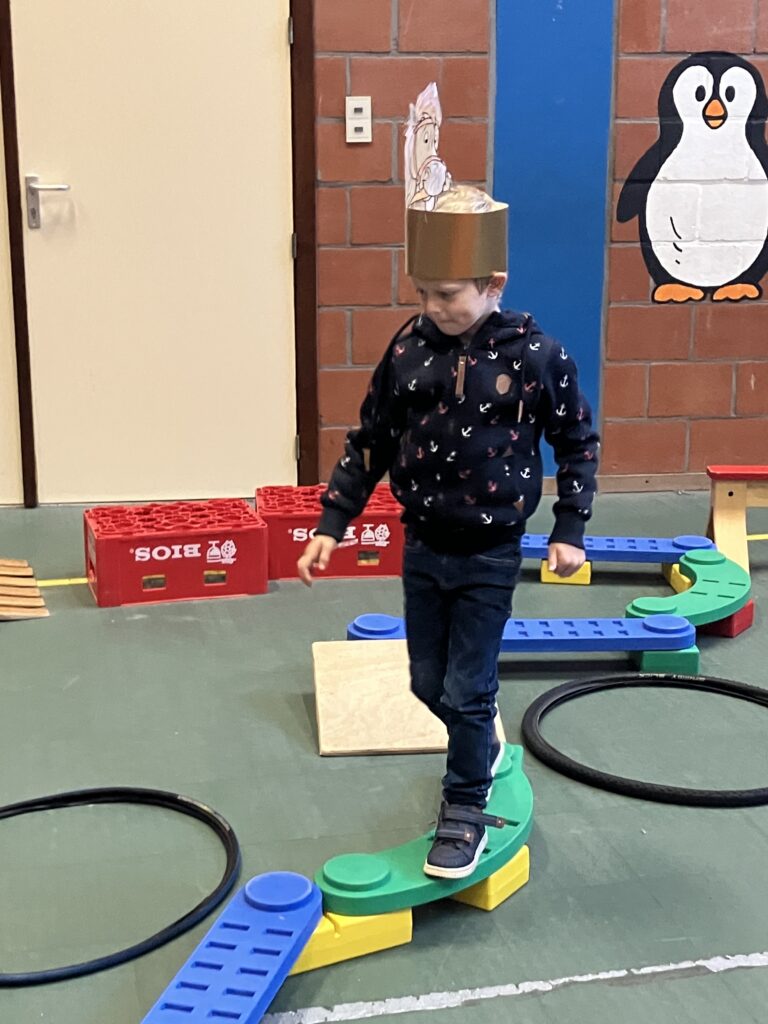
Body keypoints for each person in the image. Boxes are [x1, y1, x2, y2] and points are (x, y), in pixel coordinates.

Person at [298, 84, 599, 880]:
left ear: (493, 282)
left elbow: (576, 440)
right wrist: (332, 522)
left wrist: (569, 529)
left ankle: (465, 807)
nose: (433, 308)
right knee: (425, 682)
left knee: (467, 690)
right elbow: (370, 437)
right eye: (423, 293)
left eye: (449, 294)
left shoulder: (536, 358)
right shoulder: (410, 349)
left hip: (491, 550)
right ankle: (479, 741)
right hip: (423, 544)